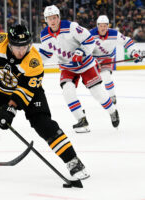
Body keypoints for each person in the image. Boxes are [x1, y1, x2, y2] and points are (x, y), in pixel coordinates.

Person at [0, 24, 90, 180]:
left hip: (30, 93)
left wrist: (10, 110)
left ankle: (73, 161)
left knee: (44, 124)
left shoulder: (34, 62)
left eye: (25, 46)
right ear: (9, 43)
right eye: (17, 47)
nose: (22, 51)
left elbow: (24, 92)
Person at [39, 5, 120, 133]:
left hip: (86, 64)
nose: (52, 21)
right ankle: (81, 119)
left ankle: (112, 111)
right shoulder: (44, 35)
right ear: (46, 20)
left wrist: (81, 52)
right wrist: (37, 62)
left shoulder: (71, 27)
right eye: (49, 19)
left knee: (97, 93)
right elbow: (46, 53)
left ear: (59, 17)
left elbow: (89, 40)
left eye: (54, 17)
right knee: (67, 91)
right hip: (67, 67)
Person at [90, 15, 144, 104]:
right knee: (92, 83)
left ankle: (112, 96)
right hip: (93, 59)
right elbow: (84, 47)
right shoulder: (91, 34)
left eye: (105, 26)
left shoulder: (114, 34)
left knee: (106, 75)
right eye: (101, 26)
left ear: (108, 26)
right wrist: (91, 60)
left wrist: (134, 52)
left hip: (107, 58)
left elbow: (127, 41)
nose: (103, 28)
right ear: (97, 26)